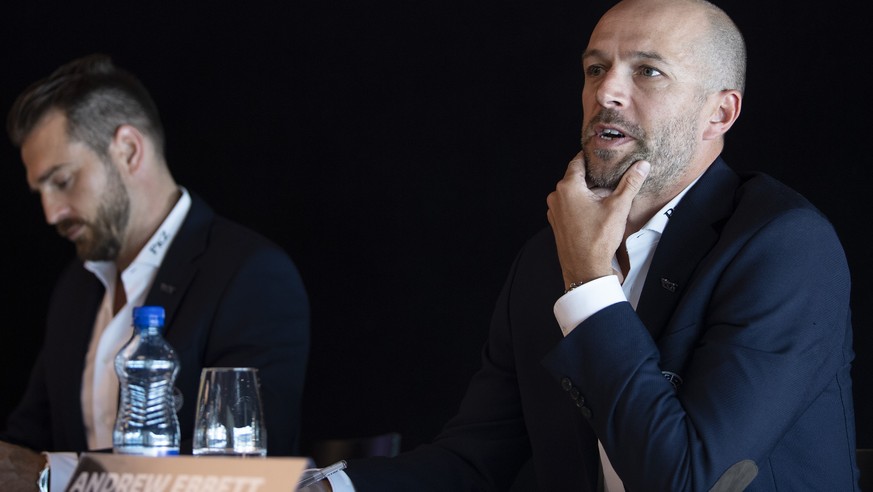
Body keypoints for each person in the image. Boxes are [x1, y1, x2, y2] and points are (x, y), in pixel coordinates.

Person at [301, 0, 859, 490]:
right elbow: (471, 464)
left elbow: (686, 480)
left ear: (720, 113)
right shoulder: (547, 258)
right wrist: (318, 490)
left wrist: (591, 283)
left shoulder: (784, 247)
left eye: (648, 72)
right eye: (596, 69)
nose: (607, 91)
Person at [0, 54, 310, 490]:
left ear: (128, 150)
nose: (50, 213)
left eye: (63, 180)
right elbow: (24, 445)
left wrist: (49, 474)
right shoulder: (75, 287)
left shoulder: (252, 275)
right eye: (40, 191)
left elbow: (248, 471)